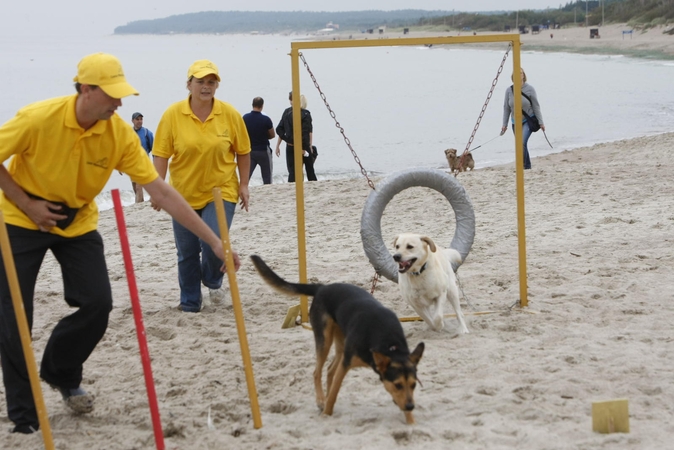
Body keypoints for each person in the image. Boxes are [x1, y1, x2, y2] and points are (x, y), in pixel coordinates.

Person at [0, 53, 239, 435]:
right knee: (14, 316)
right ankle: (25, 416)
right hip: (19, 220)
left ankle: (60, 371)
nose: (120, 103)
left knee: (98, 304)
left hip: (78, 221)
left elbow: (161, 190)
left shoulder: (118, 134)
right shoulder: (38, 118)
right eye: (112, 95)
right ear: (85, 90)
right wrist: (26, 203)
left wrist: (213, 241)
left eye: (121, 94)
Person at [151, 59, 251, 313]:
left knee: (213, 242)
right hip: (182, 194)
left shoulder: (229, 114)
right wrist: (158, 189)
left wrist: (245, 184)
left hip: (222, 190)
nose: (206, 87)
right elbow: (161, 154)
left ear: (216, 86)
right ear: (189, 84)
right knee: (186, 251)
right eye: (200, 82)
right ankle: (190, 302)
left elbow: (243, 151)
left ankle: (213, 279)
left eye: (211, 82)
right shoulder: (173, 115)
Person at [501, 68, 545, 170]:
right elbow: (506, 108)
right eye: (516, 73)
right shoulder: (509, 90)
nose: (519, 75)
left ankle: (523, 167)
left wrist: (541, 122)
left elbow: (536, 106)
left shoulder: (530, 89)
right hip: (515, 122)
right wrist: (504, 124)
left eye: (521, 73)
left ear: (523, 75)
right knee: (522, 144)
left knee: (521, 142)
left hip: (528, 121)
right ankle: (528, 166)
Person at [275, 92, 316, 182]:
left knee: (292, 172)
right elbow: (308, 132)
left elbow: (279, 129)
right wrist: (308, 146)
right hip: (302, 146)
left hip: (291, 146)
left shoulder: (287, 112)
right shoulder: (305, 114)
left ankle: (293, 187)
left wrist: (286, 141)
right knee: (309, 170)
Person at [243, 97, 275, 184]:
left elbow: (242, 133)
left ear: (252, 105)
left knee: (247, 175)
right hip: (263, 150)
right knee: (267, 176)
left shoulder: (245, 118)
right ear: (262, 106)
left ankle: (243, 189)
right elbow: (272, 135)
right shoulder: (266, 119)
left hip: (250, 150)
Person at [131, 112, 154, 202]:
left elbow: (154, 149)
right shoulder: (128, 133)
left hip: (143, 161)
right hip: (131, 164)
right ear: (132, 121)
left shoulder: (146, 133)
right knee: (134, 186)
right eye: (137, 119)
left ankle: (137, 204)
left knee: (138, 185)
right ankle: (141, 202)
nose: (140, 121)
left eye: (141, 119)